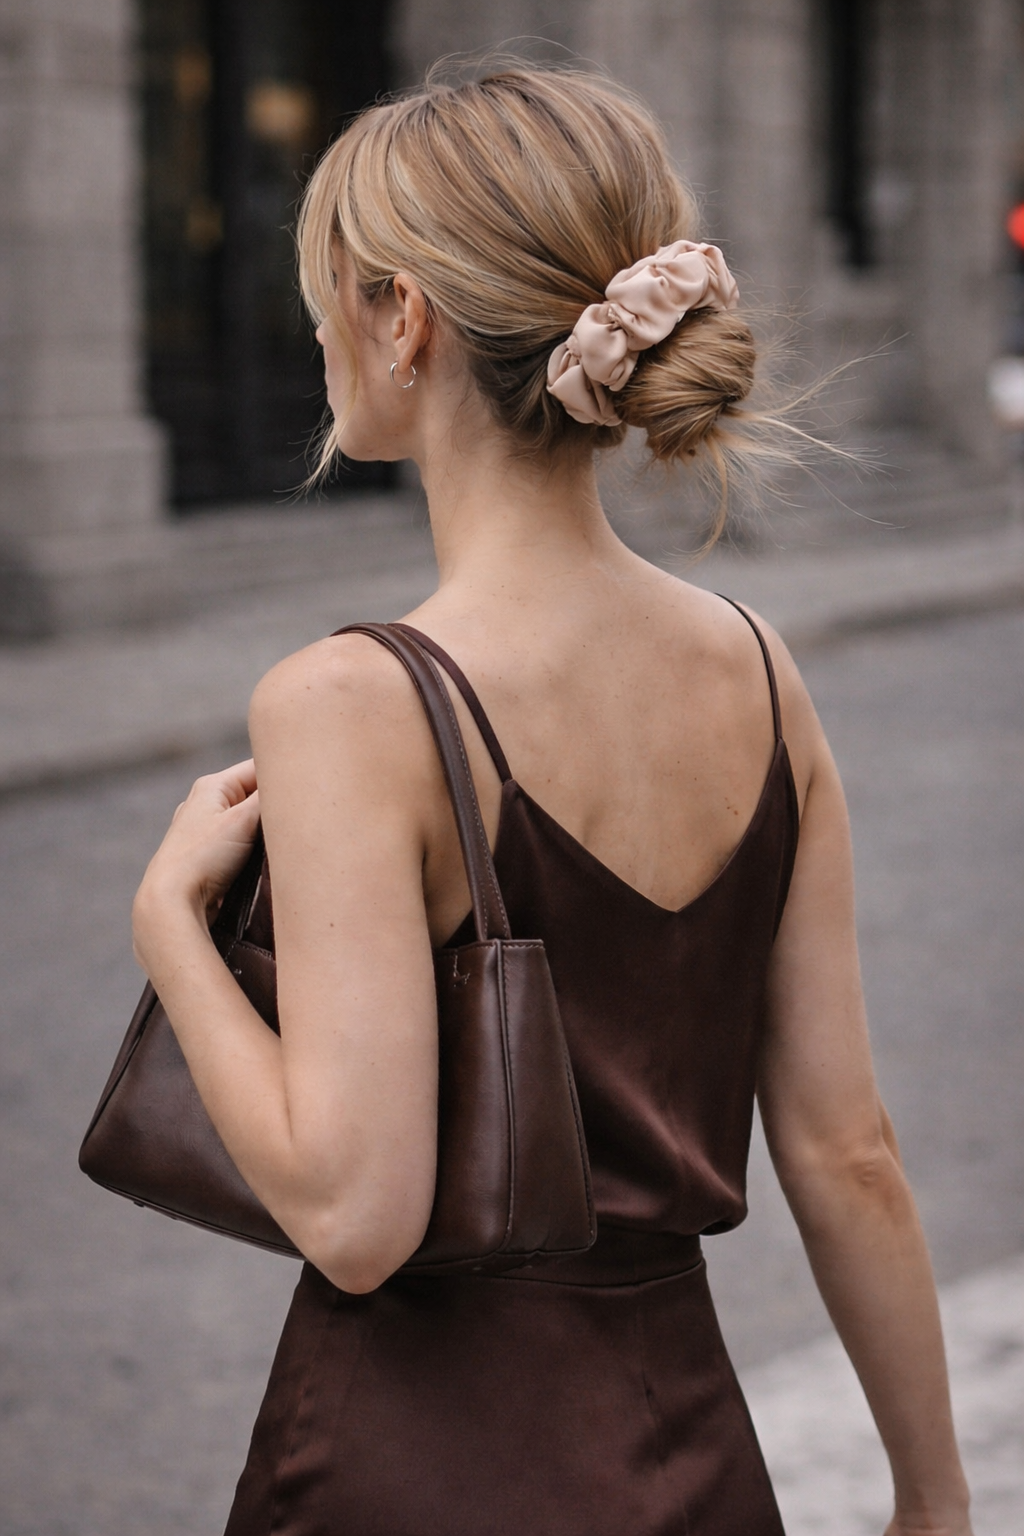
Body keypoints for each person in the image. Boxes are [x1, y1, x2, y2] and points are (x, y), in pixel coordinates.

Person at [130, 66, 973, 1536]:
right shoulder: (761, 673)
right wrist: (933, 1497)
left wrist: (171, 931)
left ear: (405, 320)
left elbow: (355, 1214)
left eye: (331, 287)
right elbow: (847, 1153)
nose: (319, 331)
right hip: (694, 1454)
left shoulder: (351, 704)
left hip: (421, 1466)